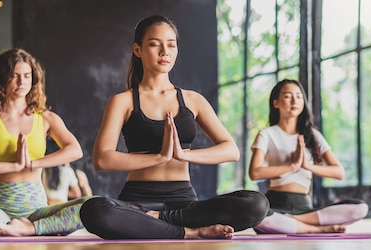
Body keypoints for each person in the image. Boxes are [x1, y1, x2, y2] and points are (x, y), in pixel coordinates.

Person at [79, 15, 269, 240]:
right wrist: (159, 157)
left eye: (171, 45)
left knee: (256, 204)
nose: (164, 52)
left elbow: (231, 150)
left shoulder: (192, 100)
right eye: (154, 44)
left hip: (184, 205)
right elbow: (103, 159)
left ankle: (160, 221)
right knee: (94, 210)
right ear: (138, 50)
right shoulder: (123, 101)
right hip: (137, 202)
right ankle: (189, 232)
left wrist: (183, 155)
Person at [0, 48, 92, 236]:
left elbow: (75, 150)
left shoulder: (45, 118)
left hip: (36, 212)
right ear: (1, 78)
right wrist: (15, 166)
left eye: (27, 76)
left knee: (92, 207)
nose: (22, 82)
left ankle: (29, 229)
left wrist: (33, 164)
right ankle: (22, 228)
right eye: (14, 76)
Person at [249, 79, 368, 234]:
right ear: (276, 103)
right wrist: (292, 166)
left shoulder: (313, 135)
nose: (294, 100)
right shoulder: (267, 134)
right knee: (257, 215)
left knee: (360, 208)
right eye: (287, 96)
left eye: (299, 96)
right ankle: (313, 229)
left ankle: (293, 222)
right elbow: (255, 172)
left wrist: (307, 166)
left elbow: (339, 172)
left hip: (305, 208)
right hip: (275, 203)